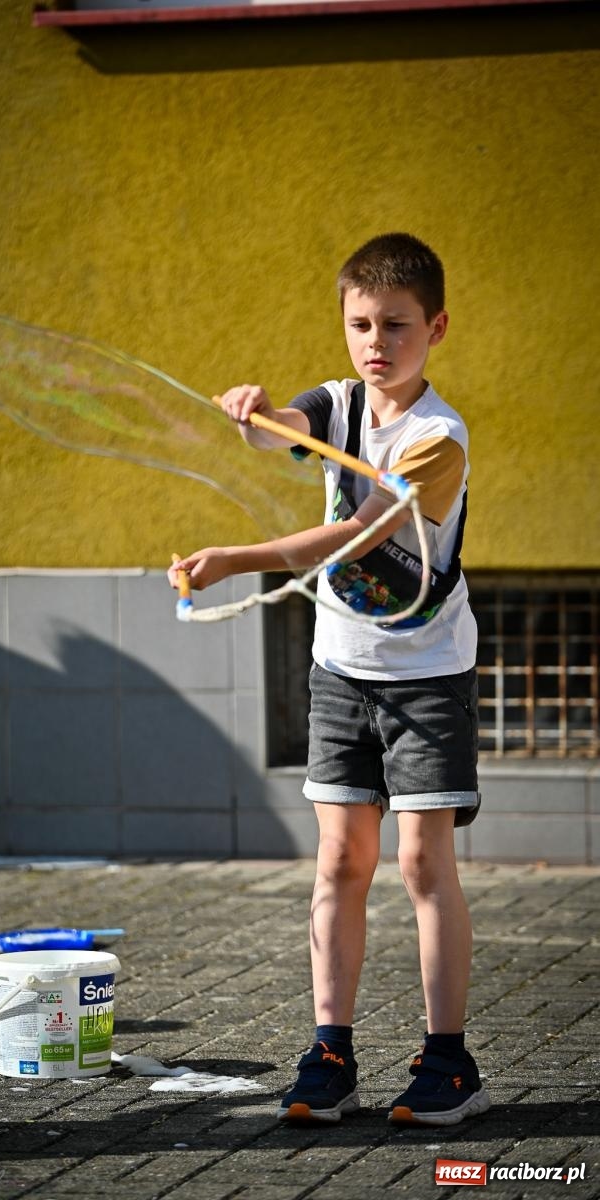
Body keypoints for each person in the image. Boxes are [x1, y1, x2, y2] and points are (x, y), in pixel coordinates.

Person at [168, 232, 490, 1128]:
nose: (374, 342)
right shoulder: (340, 402)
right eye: (358, 324)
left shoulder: (439, 439)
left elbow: (350, 537)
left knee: (424, 864)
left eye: (395, 324)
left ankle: (448, 1062)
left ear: (436, 328)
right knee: (340, 863)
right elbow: (289, 431)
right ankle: (330, 1052)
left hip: (427, 674)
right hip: (341, 669)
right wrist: (253, 412)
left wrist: (238, 559)